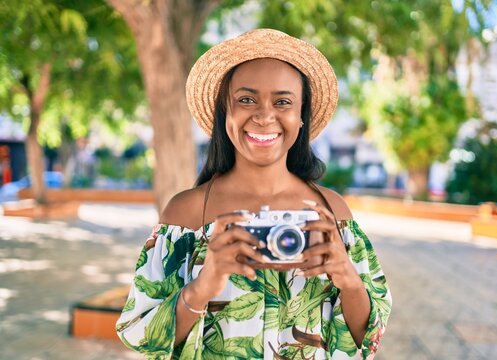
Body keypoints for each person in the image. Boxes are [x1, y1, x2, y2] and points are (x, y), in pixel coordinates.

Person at [116, 29, 392, 360]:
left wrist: (349, 280)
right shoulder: (185, 215)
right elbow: (139, 334)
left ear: (300, 116)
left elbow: (369, 338)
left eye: (283, 102)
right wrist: (203, 287)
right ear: (225, 111)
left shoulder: (331, 213)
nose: (264, 116)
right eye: (246, 99)